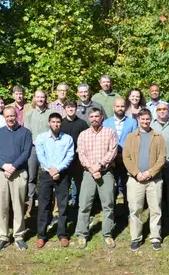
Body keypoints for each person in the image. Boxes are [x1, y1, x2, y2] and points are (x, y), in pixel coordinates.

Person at [123, 108, 167, 251]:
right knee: (135, 209)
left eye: (148, 119)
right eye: (143, 119)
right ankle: (136, 238)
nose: (145, 121)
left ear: (151, 119)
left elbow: (162, 157)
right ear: (138, 120)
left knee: (156, 209)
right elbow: (126, 157)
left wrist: (150, 172)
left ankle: (155, 237)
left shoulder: (157, 136)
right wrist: (137, 173)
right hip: (135, 180)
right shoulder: (130, 137)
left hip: (154, 179)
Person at [75, 107, 118, 249]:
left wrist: (99, 166)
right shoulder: (83, 135)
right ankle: (82, 234)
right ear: (89, 118)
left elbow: (112, 151)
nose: (94, 119)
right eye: (92, 116)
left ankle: (107, 234)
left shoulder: (110, 133)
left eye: (97, 116)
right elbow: (81, 154)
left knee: (109, 205)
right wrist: (92, 169)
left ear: (101, 118)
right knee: (84, 205)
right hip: (88, 173)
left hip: (106, 172)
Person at [0, 106, 33, 252]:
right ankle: (3, 236)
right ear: (4, 117)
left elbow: (26, 152)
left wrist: (13, 167)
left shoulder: (25, 132)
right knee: (2, 206)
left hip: (19, 173)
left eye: (12, 116)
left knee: (18, 206)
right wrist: (4, 166)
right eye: (7, 116)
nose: (10, 118)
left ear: (17, 116)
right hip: (1, 173)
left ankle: (19, 236)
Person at [35, 113, 75, 248]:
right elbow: (41, 155)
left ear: (61, 123)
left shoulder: (67, 139)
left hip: (62, 174)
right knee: (44, 205)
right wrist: (51, 170)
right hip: (46, 174)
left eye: (58, 122)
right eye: (53, 122)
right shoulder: (41, 138)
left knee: (63, 206)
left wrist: (58, 169)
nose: (56, 124)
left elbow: (69, 156)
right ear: (49, 123)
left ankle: (62, 234)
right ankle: (41, 235)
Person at [23, 90, 55, 217]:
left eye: (42, 97)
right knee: (31, 177)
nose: (40, 99)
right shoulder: (29, 114)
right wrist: (34, 141)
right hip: (33, 149)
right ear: (34, 98)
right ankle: (31, 205)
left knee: (48, 176)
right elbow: (27, 132)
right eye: (38, 97)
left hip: (48, 149)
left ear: (45, 99)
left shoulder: (51, 113)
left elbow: (54, 129)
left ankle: (48, 204)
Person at [103, 97, 138, 209]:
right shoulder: (106, 122)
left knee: (126, 185)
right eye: (117, 106)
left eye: (122, 106)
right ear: (113, 107)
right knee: (111, 187)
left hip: (126, 159)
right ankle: (112, 211)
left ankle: (127, 210)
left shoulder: (132, 122)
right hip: (111, 160)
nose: (120, 108)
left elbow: (135, 141)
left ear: (125, 107)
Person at [59, 99, 89, 209]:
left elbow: (87, 140)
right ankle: (63, 209)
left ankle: (79, 207)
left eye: (73, 107)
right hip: (64, 160)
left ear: (76, 109)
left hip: (78, 160)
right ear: (65, 109)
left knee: (79, 185)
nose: (71, 109)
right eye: (68, 107)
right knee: (64, 186)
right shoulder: (61, 123)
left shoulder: (82, 124)